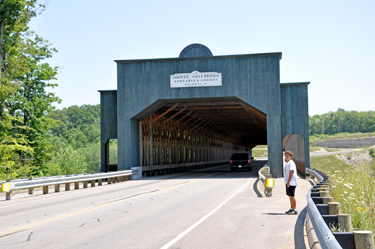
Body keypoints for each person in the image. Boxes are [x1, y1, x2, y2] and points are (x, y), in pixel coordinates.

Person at [284, 150, 298, 215]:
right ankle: (291, 208)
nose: (286, 157)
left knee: (292, 195)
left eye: (288, 155)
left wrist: (288, 182)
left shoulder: (291, 163)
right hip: (288, 182)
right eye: (286, 155)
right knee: (290, 195)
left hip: (291, 182)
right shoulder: (288, 163)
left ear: (291, 156)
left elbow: (291, 172)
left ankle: (295, 209)